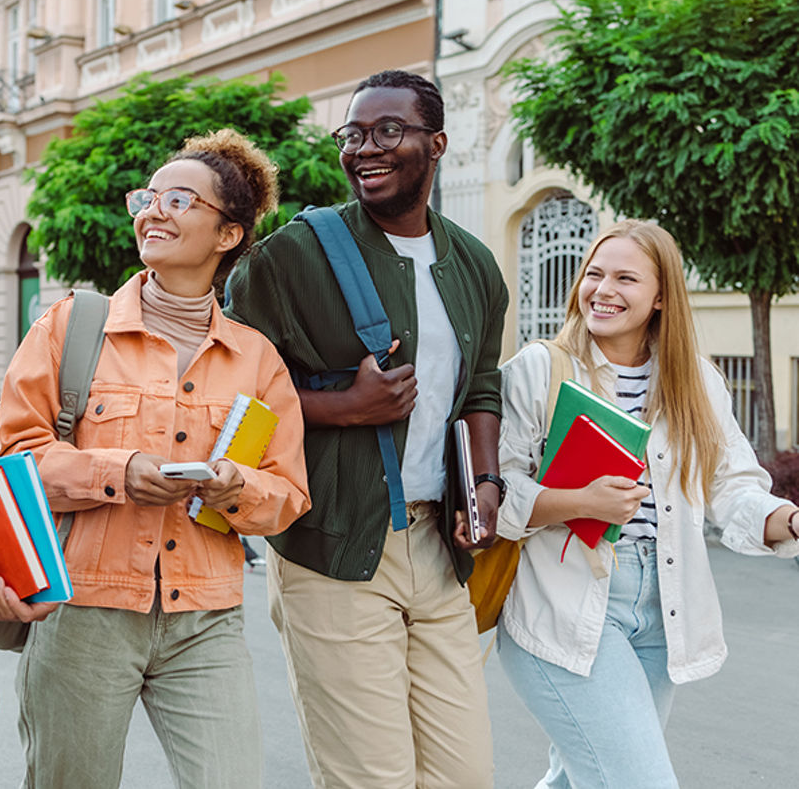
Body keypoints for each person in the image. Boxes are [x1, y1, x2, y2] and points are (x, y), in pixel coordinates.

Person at [0, 129, 311, 788]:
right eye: (149, 196)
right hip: (82, 612)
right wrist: (118, 473)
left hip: (206, 622)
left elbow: (288, 494)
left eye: (179, 200)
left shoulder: (256, 358)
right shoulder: (71, 325)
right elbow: (16, 458)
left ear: (229, 234)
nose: (153, 211)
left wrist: (233, 486)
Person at [226, 69, 508, 789]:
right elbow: (229, 390)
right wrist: (343, 407)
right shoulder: (294, 254)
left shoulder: (475, 265)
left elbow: (481, 384)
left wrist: (484, 484)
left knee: (465, 774)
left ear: (436, 143)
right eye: (353, 134)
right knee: (372, 779)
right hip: (334, 546)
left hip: (439, 550)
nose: (364, 149)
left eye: (388, 131)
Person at [496, 219, 799, 788]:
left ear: (661, 297)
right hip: (564, 607)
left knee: (582, 778)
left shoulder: (695, 382)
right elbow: (494, 494)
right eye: (595, 274)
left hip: (663, 611)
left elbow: (731, 486)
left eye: (626, 279)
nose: (603, 289)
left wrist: (788, 520)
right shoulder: (539, 370)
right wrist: (578, 501)